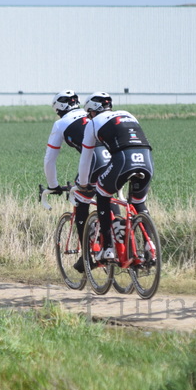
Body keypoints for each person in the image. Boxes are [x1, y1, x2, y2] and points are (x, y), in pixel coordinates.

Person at [75, 93, 154, 263]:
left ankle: (108, 248)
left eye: (89, 113)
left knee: (103, 194)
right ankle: (151, 244)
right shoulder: (127, 114)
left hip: (123, 159)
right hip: (146, 158)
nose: (89, 117)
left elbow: (86, 158)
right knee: (138, 201)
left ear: (92, 111)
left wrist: (83, 183)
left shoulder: (93, 123)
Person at [44, 89, 112, 272]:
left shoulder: (60, 123)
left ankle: (87, 255)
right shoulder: (94, 115)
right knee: (108, 198)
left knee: (81, 199)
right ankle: (114, 242)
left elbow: (50, 160)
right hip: (115, 159)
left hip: (94, 162)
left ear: (59, 108)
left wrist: (53, 186)